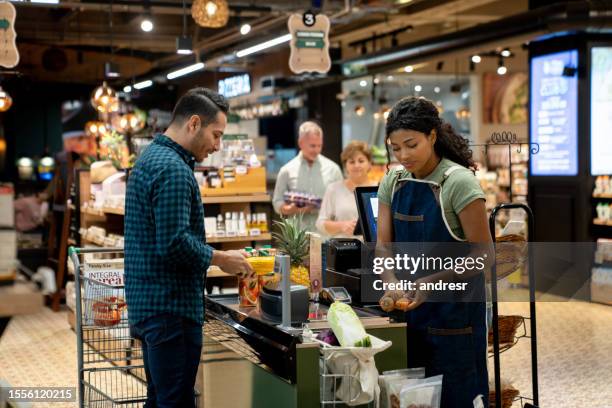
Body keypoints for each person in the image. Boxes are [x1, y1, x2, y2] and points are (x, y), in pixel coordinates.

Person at [124, 87, 254, 407]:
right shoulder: (173, 170)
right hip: (171, 308)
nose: (217, 145)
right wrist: (221, 258)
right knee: (176, 401)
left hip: (150, 305)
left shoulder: (152, 157)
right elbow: (174, 244)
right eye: (216, 134)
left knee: (159, 398)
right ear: (194, 123)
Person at [376, 97, 491, 407]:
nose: (403, 155)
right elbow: (383, 245)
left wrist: (431, 282)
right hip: (409, 318)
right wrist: (389, 281)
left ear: (432, 136)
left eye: (411, 144)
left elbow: (484, 255)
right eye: (395, 148)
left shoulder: (458, 184)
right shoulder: (393, 181)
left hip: (455, 321)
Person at [272, 121, 342, 231]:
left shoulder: (333, 169)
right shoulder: (286, 170)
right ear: (300, 143)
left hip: (325, 236)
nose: (316, 150)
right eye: (312, 146)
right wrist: (290, 209)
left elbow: (340, 201)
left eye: (319, 146)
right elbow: (277, 202)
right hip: (297, 237)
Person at [316, 141, 376, 237]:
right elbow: (320, 223)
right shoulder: (333, 189)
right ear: (345, 165)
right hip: (341, 248)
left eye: (361, 161)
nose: (356, 165)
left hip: (372, 250)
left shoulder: (379, 190)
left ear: (369, 163)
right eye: (352, 162)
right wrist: (341, 225)